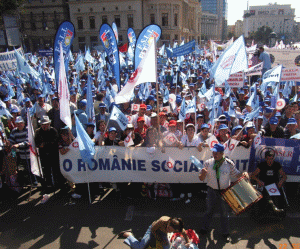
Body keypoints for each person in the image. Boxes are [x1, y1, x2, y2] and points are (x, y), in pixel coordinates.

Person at [198, 143, 249, 242]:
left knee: (224, 213)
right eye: (213, 152)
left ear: (222, 153)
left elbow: (237, 174)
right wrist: (203, 174)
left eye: (217, 152)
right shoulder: (208, 163)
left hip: (225, 192)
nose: (214, 154)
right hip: (211, 191)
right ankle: (204, 229)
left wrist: (244, 173)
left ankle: (225, 233)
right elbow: (201, 178)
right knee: (209, 211)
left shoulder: (229, 164)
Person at [119, 216, 191, 249]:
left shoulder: (177, 228)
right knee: (140, 247)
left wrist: (188, 242)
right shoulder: (162, 220)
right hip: (153, 230)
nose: (169, 231)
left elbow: (185, 234)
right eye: (168, 228)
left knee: (167, 247)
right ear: (168, 222)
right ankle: (129, 234)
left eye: (171, 231)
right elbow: (153, 230)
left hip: (162, 233)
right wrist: (160, 239)